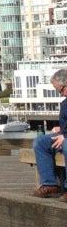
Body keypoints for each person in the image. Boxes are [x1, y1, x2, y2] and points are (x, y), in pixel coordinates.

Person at [31, 68, 67, 198]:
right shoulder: (65, 103)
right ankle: (49, 184)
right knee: (40, 142)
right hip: (64, 135)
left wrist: (64, 136)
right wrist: (61, 129)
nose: (61, 94)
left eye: (61, 90)